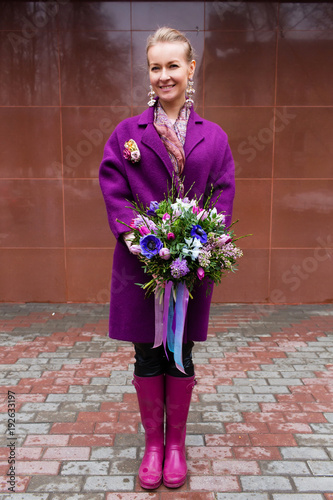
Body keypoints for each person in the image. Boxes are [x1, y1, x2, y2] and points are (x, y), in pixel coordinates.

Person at [99, 27, 235, 490]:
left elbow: (222, 194)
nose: (164, 76)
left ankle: (175, 446)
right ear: (148, 73)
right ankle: (152, 446)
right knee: (146, 353)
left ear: (191, 69)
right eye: (156, 67)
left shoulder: (213, 138)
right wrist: (137, 234)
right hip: (142, 265)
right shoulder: (127, 133)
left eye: (173, 65)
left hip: (191, 267)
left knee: (180, 352)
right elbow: (114, 189)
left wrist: (208, 239)